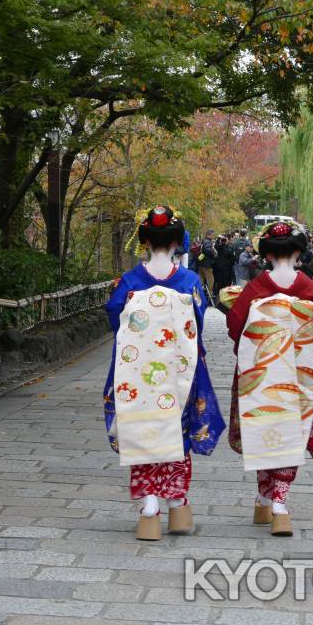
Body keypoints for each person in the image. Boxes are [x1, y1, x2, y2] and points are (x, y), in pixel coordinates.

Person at [103, 207, 225, 541]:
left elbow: (115, 317)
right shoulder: (189, 282)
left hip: (136, 372)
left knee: (140, 428)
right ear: (176, 242)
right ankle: (178, 504)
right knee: (177, 429)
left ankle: (149, 508)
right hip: (179, 371)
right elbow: (197, 324)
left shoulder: (129, 282)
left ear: (145, 241)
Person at [220, 220, 313, 537]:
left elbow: (235, 326)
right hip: (301, 374)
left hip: (260, 373)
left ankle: (264, 499)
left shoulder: (255, 288)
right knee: (292, 431)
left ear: (266, 254)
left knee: (264, 427)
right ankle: (279, 504)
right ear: (299, 252)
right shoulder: (310, 289)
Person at [198, 230, 217, 298]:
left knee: (201, 279)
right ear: (208, 235)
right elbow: (208, 250)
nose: (213, 236)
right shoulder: (208, 242)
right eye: (212, 235)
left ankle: (199, 292)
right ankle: (210, 293)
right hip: (207, 264)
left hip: (201, 262)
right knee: (210, 279)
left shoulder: (203, 241)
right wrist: (214, 253)